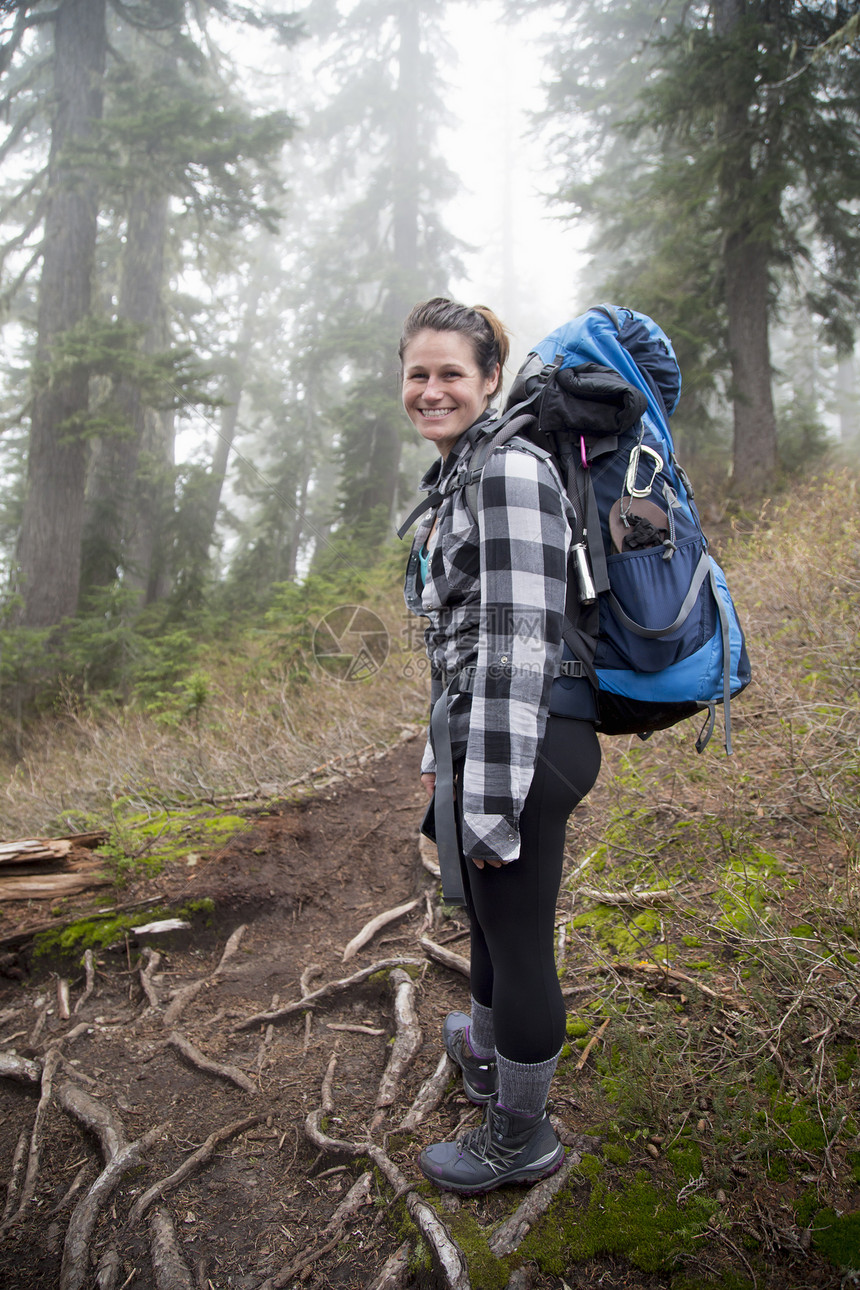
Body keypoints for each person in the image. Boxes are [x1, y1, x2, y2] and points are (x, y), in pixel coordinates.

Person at [400, 297, 602, 1194]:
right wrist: (443, 764)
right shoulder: (458, 473)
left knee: (518, 941)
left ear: (489, 381)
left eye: (452, 373)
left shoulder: (507, 473)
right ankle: (487, 1052)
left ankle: (521, 1137)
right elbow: (462, 645)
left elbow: (521, 647)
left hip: (530, 743)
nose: (432, 389)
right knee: (484, 913)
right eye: (418, 373)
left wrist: (483, 800)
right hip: (487, 734)